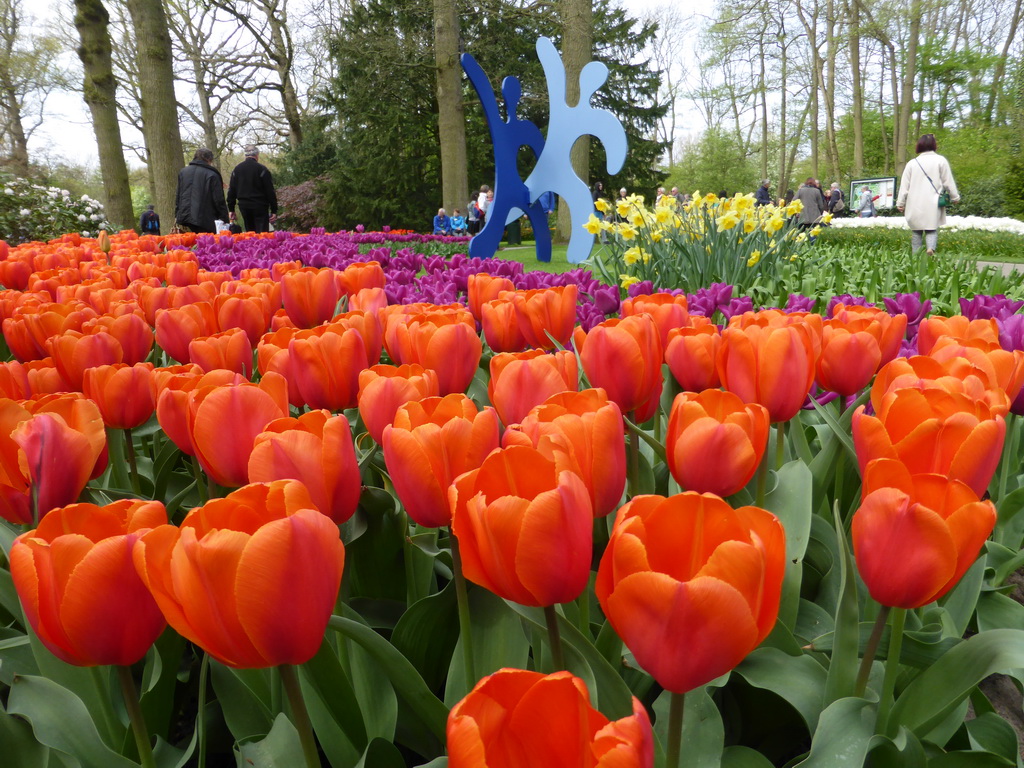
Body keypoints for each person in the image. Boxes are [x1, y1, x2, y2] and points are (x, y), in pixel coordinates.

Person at [897, 133, 961, 255]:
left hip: (914, 202)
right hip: (932, 201)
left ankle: (915, 255)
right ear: (934, 145)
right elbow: (948, 181)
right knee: (931, 228)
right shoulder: (940, 160)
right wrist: (955, 197)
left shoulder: (912, 163)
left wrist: (900, 202)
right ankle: (930, 248)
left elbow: (904, 185)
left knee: (916, 231)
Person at [175, 147, 229, 234]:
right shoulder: (212, 174)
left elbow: (178, 194)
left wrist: (177, 214)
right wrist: (224, 218)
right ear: (209, 159)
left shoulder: (183, 172)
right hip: (205, 218)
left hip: (185, 216)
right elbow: (218, 199)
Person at [227, 145, 278, 233]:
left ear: (245, 155)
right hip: (260, 205)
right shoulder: (262, 169)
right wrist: (274, 209)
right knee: (262, 233)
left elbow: (232, 190)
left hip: (244, 205)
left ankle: (250, 245)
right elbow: (270, 191)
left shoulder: (237, 170)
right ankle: (261, 246)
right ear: (257, 155)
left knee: (249, 231)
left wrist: (231, 209)